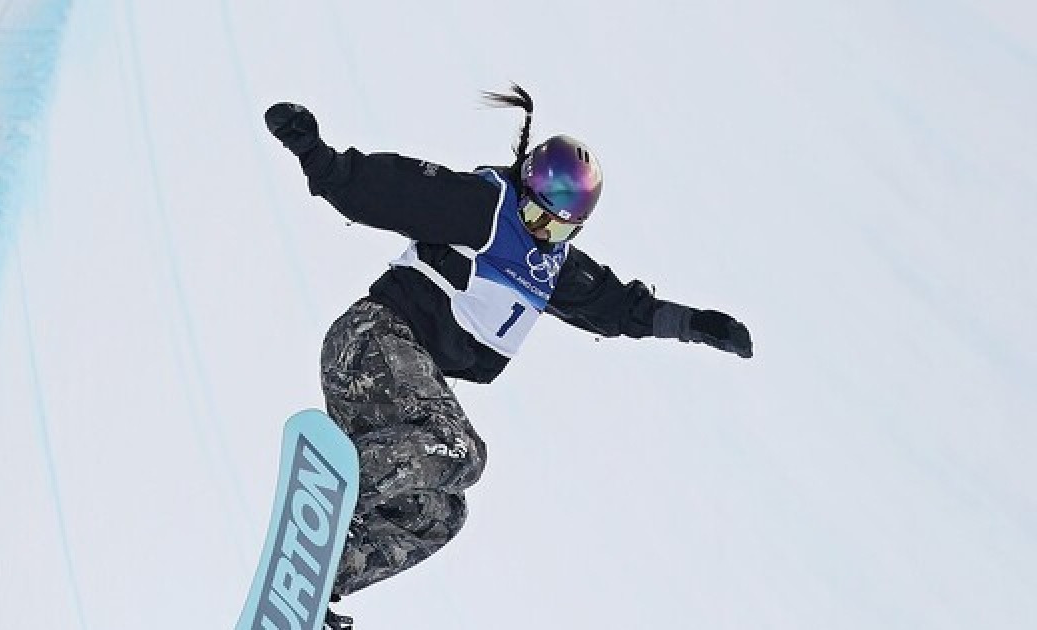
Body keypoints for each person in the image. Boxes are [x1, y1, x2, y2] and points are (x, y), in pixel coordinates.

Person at [264, 85, 753, 629]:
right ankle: (342, 491)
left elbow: (622, 310)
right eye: (537, 216)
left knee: (441, 514)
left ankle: (315, 589)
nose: (542, 234)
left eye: (559, 229)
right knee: (462, 452)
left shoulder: (556, 268)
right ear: (522, 186)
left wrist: (698, 325)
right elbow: (387, 191)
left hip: (396, 391)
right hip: (375, 341)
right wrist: (316, 155)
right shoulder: (484, 208)